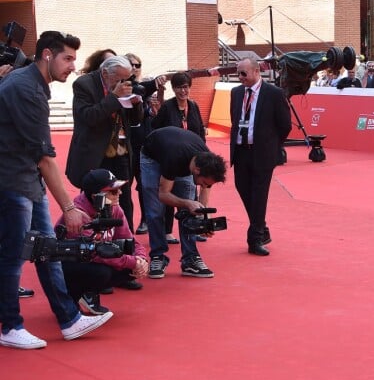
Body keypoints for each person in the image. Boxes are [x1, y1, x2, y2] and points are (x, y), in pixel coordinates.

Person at [0, 31, 113, 349]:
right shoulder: (26, 90)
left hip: (26, 180)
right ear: (47, 55)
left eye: (75, 59)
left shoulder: (32, 84)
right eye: (68, 58)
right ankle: (10, 326)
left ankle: (69, 319)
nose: (73, 66)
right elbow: (45, 157)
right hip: (11, 182)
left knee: (47, 249)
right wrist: (68, 206)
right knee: (12, 257)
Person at [56, 169, 149, 316]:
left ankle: (88, 294)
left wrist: (141, 259)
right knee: (102, 272)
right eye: (113, 191)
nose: (120, 193)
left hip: (93, 258)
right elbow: (94, 253)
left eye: (119, 189)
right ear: (96, 196)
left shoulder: (114, 208)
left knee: (129, 269)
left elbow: (130, 240)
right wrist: (132, 262)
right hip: (68, 265)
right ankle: (72, 298)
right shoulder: (78, 216)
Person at [67, 55, 143, 232]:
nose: (122, 83)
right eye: (118, 79)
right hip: (96, 154)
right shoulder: (84, 84)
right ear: (105, 73)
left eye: (126, 78)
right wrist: (115, 97)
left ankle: (126, 241)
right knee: (94, 199)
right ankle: (91, 238)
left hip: (121, 152)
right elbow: (88, 117)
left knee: (123, 199)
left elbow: (134, 120)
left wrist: (136, 103)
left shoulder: (123, 84)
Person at [141, 126, 227, 278]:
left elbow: (204, 191)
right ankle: (158, 255)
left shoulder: (207, 162)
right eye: (204, 182)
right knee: (155, 210)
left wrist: (202, 220)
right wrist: (188, 203)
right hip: (152, 157)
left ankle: (190, 259)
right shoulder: (174, 158)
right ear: (197, 171)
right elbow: (163, 195)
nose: (203, 186)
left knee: (190, 213)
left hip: (180, 153)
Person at [230, 57, 291, 256]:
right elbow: (234, 120)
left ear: (256, 71)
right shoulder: (236, 92)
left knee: (259, 196)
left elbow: (285, 125)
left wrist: (271, 144)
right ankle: (261, 227)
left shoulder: (274, 94)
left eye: (243, 73)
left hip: (262, 153)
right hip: (240, 151)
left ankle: (254, 238)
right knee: (243, 188)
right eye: (238, 73)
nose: (240, 78)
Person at [151, 71, 206, 244]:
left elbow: (200, 131)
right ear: (173, 89)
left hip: (193, 157)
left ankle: (194, 227)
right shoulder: (168, 106)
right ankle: (167, 231)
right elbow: (155, 127)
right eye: (178, 88)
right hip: (172, 156)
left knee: (192, 194)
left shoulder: (194, 106)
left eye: (185, 87)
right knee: (169, 192)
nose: (183, 91)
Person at [124, 53, 167, 236]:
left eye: (137, 64)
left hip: (145, 144)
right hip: (125, 145)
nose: (135, 67)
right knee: (125, 186)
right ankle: (126, 225)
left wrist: (161, 89)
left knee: (145, 186)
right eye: (131, 64)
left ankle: (145, 220)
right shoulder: (125, 88)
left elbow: (159, 110)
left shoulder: (145, 88)